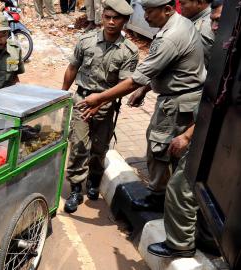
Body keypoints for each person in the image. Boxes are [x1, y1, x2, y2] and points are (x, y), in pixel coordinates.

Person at [77, 0, 206, 212]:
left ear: (167, 9)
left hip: (176, 103)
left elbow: (135, 78)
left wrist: (100, 98)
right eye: (144, 11)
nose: (145, 16)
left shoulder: (170, 37)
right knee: (165, 150)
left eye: (149, 11)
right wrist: (144, 90)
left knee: (160, 150)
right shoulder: (181, 24)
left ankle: (159, 200)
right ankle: (164, 197)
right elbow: (163, 69)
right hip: (179, 99)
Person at [147, 0, 223, 258]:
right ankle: (205, 237)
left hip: (206, 119)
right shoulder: (212, 38)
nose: (215, 26)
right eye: (213, 20)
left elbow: (212, 94)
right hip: (205, 115)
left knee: (183, 184)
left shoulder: (215, 44)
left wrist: (189, 134)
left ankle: (182, 245)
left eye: (220, 21)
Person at [62, 0, 139, 213]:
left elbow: (124, 85)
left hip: (106, 106)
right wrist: (61, 94)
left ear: (125, 21)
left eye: (117, 18)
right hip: (82, 100)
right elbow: (72, 67)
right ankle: (76, 188)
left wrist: (101, 102)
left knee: (99, 148)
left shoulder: (128, 51)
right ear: (102, 17)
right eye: (108, 17)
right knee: (78, 144)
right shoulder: (86, 41)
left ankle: (94, 181)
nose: (111, 22)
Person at [179, 0, 214, 65]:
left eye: (183, 4)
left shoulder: (205, 26)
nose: (180, 8)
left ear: (199, 3)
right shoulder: (195, 19)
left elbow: (197, 63)